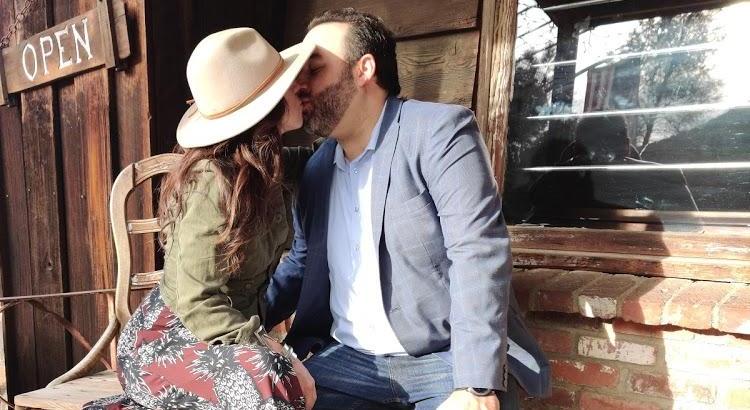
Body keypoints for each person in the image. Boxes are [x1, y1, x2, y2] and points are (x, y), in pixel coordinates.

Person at [264, 9, 550, 410]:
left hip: (443, 357)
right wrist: (231, 324)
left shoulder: (439, 133)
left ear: (364, 69)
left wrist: (475, 386)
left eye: (313, 69)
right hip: (346, 361)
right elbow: (301, 261)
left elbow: (476, 251)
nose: (301, 86)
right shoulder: (317, 168)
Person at [85, 28, 317, 409]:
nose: (301, 86)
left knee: (273, 376)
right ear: (268, 107)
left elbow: (319, 161)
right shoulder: (213, 181)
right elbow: (198, 302)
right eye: (289, 82)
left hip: (220, 343)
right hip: (164, 345)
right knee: (273, 377)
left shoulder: (264, 164)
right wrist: (277, 351)